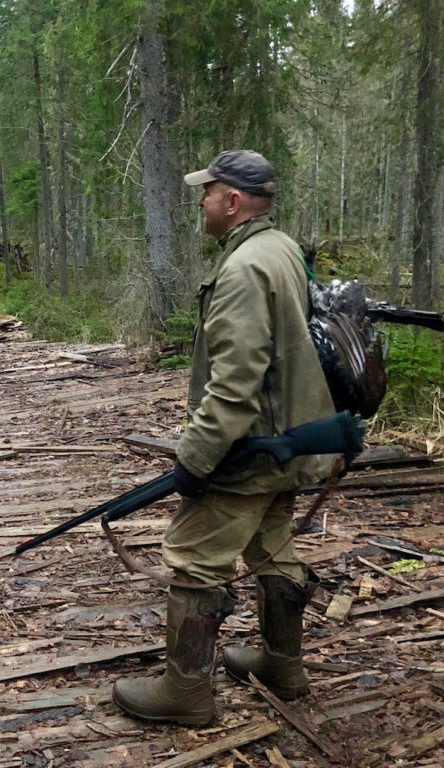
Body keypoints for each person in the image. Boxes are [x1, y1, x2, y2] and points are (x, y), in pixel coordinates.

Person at [112, 150, 336, 726]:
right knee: (273, 548)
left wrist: (196, 457)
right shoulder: (282, 248)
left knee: (194, 558)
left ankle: (185, 692)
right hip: (292, 439)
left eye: (206, 192)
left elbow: (235, 383)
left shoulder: (241, 271)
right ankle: (282, 666)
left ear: (232, 201)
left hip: (248, 449)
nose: (201, 201)